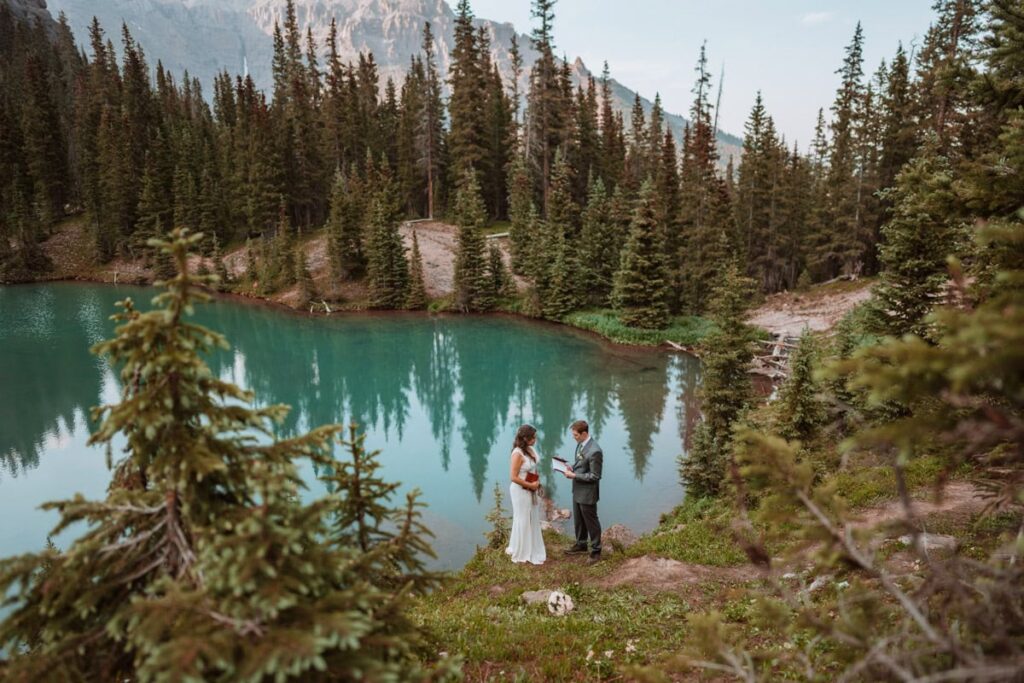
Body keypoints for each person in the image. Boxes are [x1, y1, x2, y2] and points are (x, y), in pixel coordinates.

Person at [561, 419, 603, 564]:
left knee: (591, 521)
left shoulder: (595, 451)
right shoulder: (581, 445)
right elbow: (581, 464)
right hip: (577, 489)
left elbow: (595, 476)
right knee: (579, 519)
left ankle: (596, 550)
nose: (574, 438)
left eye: (576, 435)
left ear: (584, 433)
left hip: (587, 493)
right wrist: (571, 467)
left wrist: (574, 475)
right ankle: (581, 544)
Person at [505, 424, 546, 565]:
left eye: (535, 437)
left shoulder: (530, 449)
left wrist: (536, 481)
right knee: (522, 518)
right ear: (525, 438)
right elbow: (513, 477)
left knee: (532, 516)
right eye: (532, 437)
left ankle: (532, 546)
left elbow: (532, 467)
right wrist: (531, 486)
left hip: (530, 486)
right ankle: (521, 551)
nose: (535, 440)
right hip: (520, 490)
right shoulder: (517, 453)